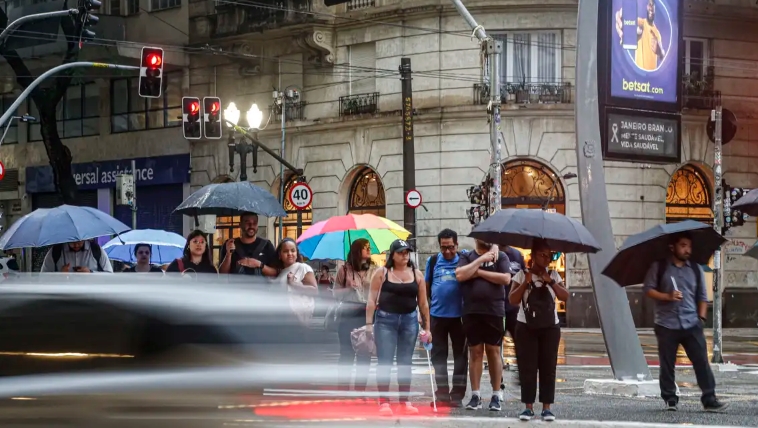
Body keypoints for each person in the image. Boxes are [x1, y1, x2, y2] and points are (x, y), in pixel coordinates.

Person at [643, 233, 728, 413]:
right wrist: (667, 296)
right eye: (683, 245)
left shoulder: (696, 269)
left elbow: (703, 297)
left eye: (689, 246)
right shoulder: (660, 267)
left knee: (701, 361)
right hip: (666, 324)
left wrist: (701, 319)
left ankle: (709, 398)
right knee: (667, 364)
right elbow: (648, 290)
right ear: (673, 247)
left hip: (691, 323)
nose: (687, 249)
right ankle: (670, 399)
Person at [366, 239, 431, 416]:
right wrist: (368, 324)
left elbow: (424, 304)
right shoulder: (382, 273)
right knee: (385, 361)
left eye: (406, 252)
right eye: (401, 252)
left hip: (410, 321)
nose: (404, 255)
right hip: (385, 321)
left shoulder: (417, 274)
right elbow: (371, 300)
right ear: (392, 255)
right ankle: (384, 401)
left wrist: (427, 328)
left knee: (405, 362)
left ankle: (404, 401)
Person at [508, 240, 568, 422]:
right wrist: (525, 283)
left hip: (550, 327)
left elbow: (565, 296)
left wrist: (550, 282)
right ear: (533, 256)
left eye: (548, 255)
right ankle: (528, 407)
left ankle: (547, 407)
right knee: (528, 367)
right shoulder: (521, 275)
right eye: (542, 255)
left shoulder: (553, 275)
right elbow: (512, 300)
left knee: (548, 367)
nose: (546, 259)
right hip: (525, 326)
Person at [455, 238, 511, 412]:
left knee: (494, 351)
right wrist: (481, 260)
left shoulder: (500, 257)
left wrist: (478, 272)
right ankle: (476, 395)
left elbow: (505, 279)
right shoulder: (467, 256)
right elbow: (460, 275)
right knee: (475, 352)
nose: (486, 239)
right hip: (471, 311)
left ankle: (495, 395)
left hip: (494, 311)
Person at [425, 228, 467, 408]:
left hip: (460, 317)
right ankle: (442, 393)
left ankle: (457, 394)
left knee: (461, 357)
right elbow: (425, 288)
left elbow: (487, 251)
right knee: (438, 356)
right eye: (444, 248)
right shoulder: (433, 261)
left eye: (451, 247)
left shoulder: (465, 259)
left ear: (457, 245)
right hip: (437, 316)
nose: (447, 251)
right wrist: (424, 314)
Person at [333, 238, 376, 394]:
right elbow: (335, 295)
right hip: (348, 314)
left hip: (367, 314)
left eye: (369, 247)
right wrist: (347, 288)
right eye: (366, 247)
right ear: (357, 251)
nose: (369, 250)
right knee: (346, 353)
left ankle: (360, 391)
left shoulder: (375, 269)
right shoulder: (344, 270)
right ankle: (343, 389)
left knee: (365, 353)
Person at [271, 238, 318, 326]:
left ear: (297, 253)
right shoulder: (281, 273)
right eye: (285, 251)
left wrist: (293, 284)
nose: (290, 254)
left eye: (293, 251)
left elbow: (314, 291)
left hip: (298, 320)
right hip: (283, 319)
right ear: (279, 255)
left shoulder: (303, 267)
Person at [218, 212, 277, 276]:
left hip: (260, 285)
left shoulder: (266, 245)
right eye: (247, 222)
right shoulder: (230, 244)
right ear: (240, 224)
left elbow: (275, 273)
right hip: (236, 285)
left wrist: (259, 264)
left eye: (254, 223)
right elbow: (222, 274)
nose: (251, 226)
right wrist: (228, 255)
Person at [615, 0, 665, 71]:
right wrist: (619, 14)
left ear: (655, 10)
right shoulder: (640, 22)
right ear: (647, 7)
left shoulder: (657, 33)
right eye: (649, 5)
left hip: (651, 78)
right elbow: (625, 16)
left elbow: (662, 56)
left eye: (652, 5)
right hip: (638, 76)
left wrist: (660, 52)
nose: (651, 8)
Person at [40, 240, 114, 273]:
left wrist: (91, 273)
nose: (76, 245)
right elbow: (43, 277)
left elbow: (109, 275)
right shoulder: (56, 251)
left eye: (79, 241)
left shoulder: (96, 250)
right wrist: (59, 275)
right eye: (72, 241)